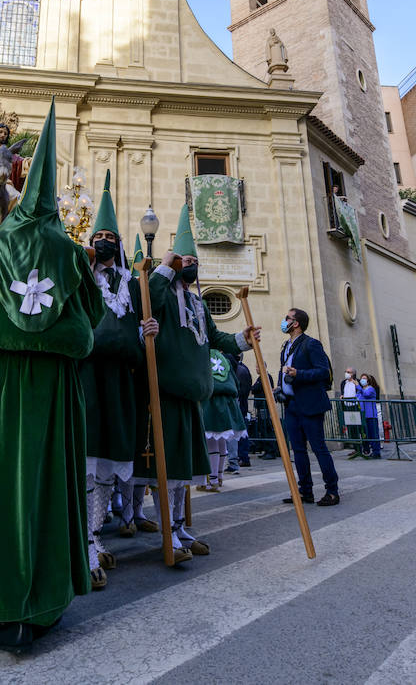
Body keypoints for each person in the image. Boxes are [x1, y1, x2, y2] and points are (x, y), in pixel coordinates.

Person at [0, 102, 106, 654]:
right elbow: (91, 322)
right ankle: (41, 598)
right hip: (53, 389)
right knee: (45, 483)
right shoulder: (70, 252)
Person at [133, 203, 256, 558]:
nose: (191, 265)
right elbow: (148, 301)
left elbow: (217, 340)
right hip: (166, 394)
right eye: (184, 260)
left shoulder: (199, 304)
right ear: (174, 264)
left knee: (184, 470)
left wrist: (244, 339)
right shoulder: (165, 298)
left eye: (194, 261)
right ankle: (168, 532)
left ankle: (180, 528)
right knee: (167, 467)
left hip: (193, 398)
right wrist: (164, 266)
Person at [75, 171, 151, 590]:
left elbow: (141, 322)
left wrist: (148, 333)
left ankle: (95, 532)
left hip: (121, 379)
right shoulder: (80, 274)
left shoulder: (131, 282)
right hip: (85, 375)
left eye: (109, 235)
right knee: (85, 457)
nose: (103, 241)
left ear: (118, 243)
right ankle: (82, 538)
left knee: (109, 459)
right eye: (97, 234)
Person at [278, 307, 339, 504]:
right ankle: (305, 491)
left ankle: (332, 491)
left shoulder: (311, 344)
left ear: (296, 323)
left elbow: (322, 371)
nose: (284, 320)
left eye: (287, 318)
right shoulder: (286, 347)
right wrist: (279, 387)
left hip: (310, 404)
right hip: (292, 405)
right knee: (298, 450)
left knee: (319, 448)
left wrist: (298, 374)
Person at [200, 348, 246, 491]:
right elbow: (236, 383)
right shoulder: (224, 359)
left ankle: (212, 480)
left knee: (211, 440)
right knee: (220, 440)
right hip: (227, 402)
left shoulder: (203, 356)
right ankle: (219, 477)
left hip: (211, 402)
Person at [356, 373, 382, 458]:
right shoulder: (360, 391)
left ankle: (376, 452)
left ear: (368, 380)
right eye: (361, 378)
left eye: (364, 378)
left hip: (371, 415)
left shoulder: (371, 389)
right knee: (366, 434)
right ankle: (367, 450)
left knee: (373, 433)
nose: (362, 380)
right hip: (363, 416)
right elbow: (356, 398)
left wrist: (358, 386)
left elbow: (366, 394)